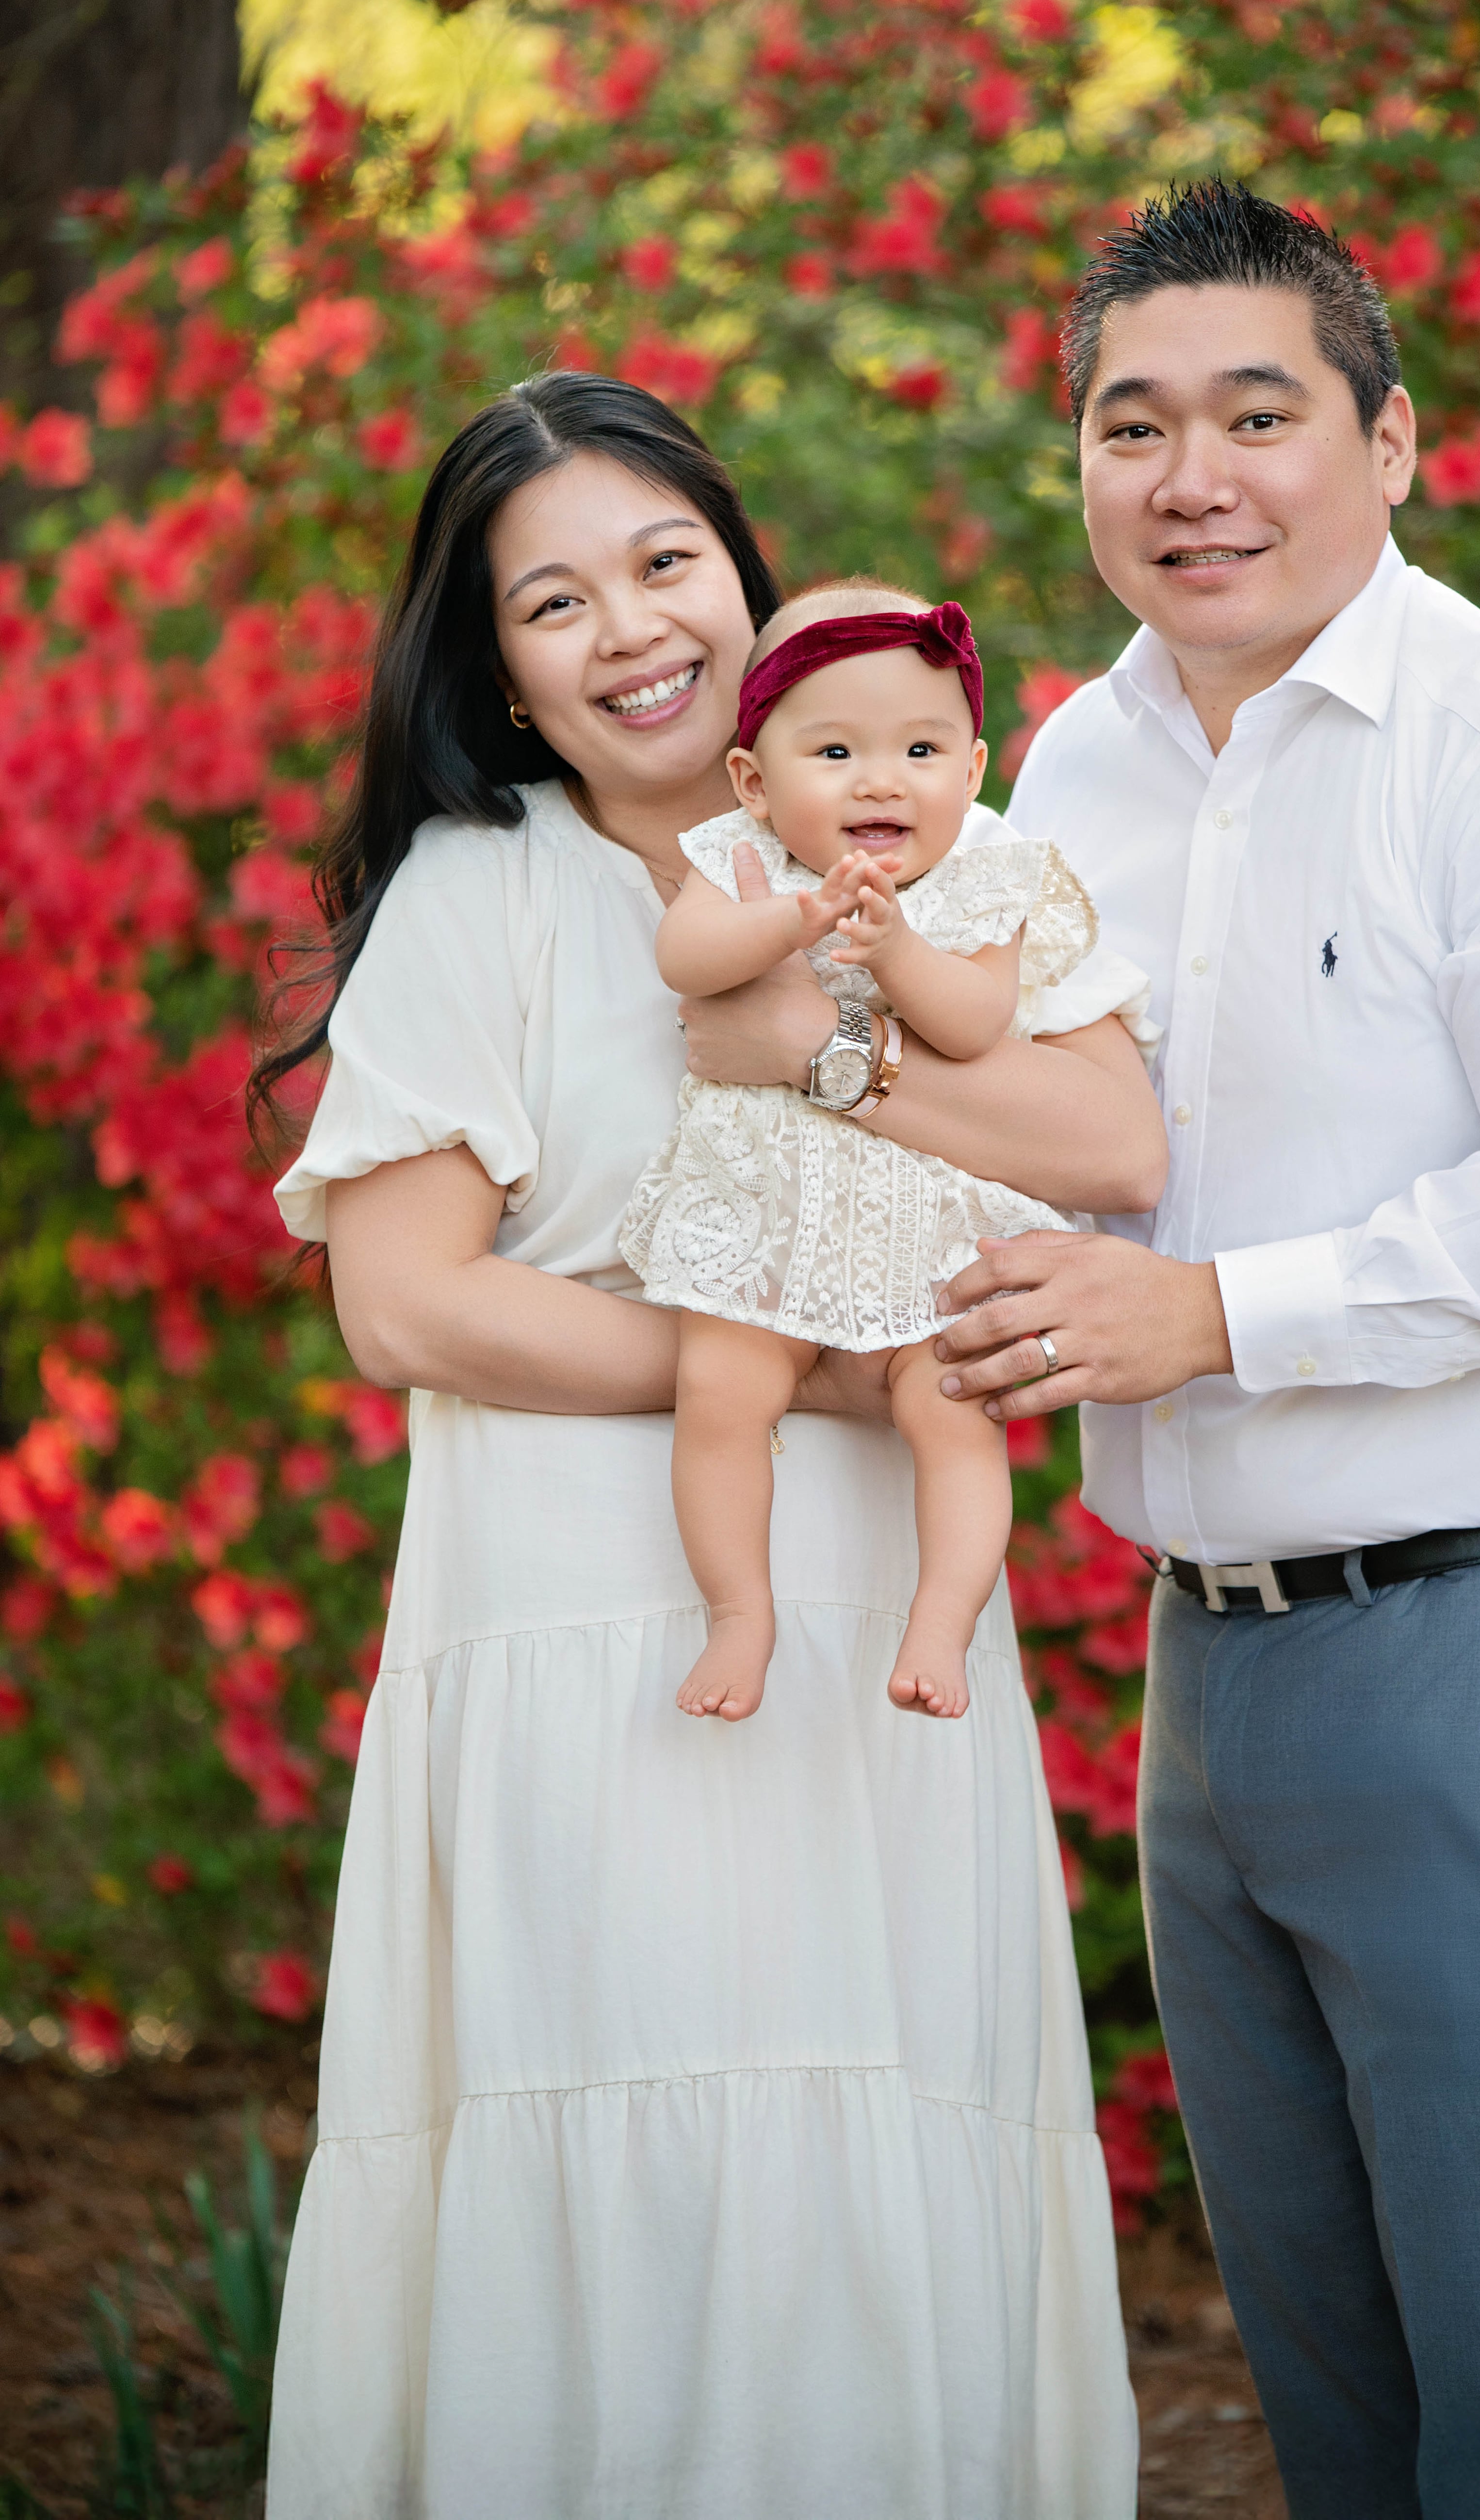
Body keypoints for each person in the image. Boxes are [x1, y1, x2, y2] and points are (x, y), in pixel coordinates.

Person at [258, 371, 1154, 2520]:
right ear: (502, 674)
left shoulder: (966, 852)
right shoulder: (485, 894)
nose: (631, 626)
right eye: (551, 601)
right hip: (592, 1643)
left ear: (750, 589)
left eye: (665, 562)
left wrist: (825, 1034)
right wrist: (796, 1359)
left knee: (889, 2152)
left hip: (890, 1659)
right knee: (633, 2166)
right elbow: (404, 1301)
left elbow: (1107, 1141)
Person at [932, 181, 1480, 2520]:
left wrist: (1205, 1315)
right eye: (1132, 423)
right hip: (1219, 1664)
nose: (1193, 476)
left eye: (1256, 414)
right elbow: (1059, 1152)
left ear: (1389, 442)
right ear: (1080, 465)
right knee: (1330, 2374)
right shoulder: (1068, 771)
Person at [621, 578, 1147, 1724]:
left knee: (949, 1414)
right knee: (718, 1390)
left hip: (928, 1223)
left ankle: (942, 1623)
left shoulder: (991, 875)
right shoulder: (745, 860)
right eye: (837, 751)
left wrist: (897, 951)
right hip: (768, 1209)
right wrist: (791, 924)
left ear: (971, 768)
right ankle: (739, 1612)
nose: (882, 779)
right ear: (756, 782)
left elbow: (970, 1025)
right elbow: (687, 955)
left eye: (921, 747)